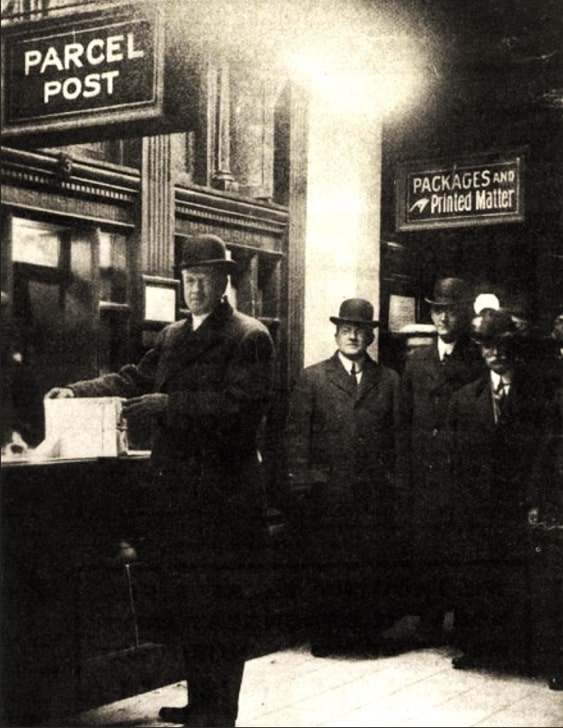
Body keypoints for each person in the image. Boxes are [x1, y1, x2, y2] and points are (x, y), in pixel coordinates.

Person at [46, 234, 275, 728]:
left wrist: (171, 407)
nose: (194, 288)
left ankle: (220, 714)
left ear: (223, 282)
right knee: (193, 607)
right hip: (179, 500)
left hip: (224, 498)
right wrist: (78, 391)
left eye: (204, 280)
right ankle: (200, 704)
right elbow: (133, 378)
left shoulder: (249, 335)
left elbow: (242, 411)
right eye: (188, 279)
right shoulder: (173, 336)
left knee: (222, 612)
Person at [286, 298, 404, 657]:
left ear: (370, 336)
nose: (353, 335)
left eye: (360, 330)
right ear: (336, 333)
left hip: (372, 495)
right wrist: (302, 484)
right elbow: (296, 437)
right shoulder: (313, 378)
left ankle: (368, 637)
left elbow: (398, 438)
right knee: (328, 566)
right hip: (326, 493)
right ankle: (327, 637)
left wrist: (395, 486)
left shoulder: (389, 380)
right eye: (346, 329)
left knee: (368, 567)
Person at [447, 308, 559, 674]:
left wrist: (536, 500)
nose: (496, 353)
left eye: (503, 345)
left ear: (514, 347)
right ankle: (478, 648)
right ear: (480, 350)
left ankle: (529, 653)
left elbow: (547, 452)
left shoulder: (540, 397)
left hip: (522, 503)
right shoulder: (465, 398)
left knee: (525, 579)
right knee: (480, 575)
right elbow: (455, 459)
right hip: (479, 506)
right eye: (487, 346)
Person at [400, 277, 484, 646]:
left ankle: (465, 627)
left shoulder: (478, 357)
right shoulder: (416, 361)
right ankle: (429, 622)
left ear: (463, 314)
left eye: (450, 310)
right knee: (426, 548)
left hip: (462, 473)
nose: (443, 317)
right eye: (437, 310)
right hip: (423, 474)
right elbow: (402, 421)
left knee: (463, 550)